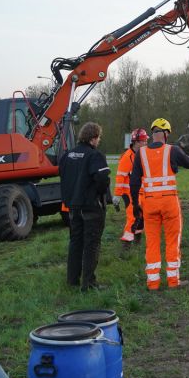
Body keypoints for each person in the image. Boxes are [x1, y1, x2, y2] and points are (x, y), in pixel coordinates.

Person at [130, 117, 189, 290]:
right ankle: (173, 281)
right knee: (172, 241)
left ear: (154, 134)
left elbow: (134, 183)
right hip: (169, 203)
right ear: (166, 134)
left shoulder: (141, 153)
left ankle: (153, 283)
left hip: (150, 204)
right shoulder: (172, 150)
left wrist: (136, 207)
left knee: (152, 243)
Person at [59, 122, 111, 291]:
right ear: (93, 138)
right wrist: (99, 194)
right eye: (99, 138)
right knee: (92, 244)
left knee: (75, 243)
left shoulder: (68, 155)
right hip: (91, 206)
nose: (99, 141)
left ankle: (72, 280)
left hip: (73, 206)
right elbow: (103, 178)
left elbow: (63, 176)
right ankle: (88, 283)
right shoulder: (94, 155)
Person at [114, 128, 149, 245]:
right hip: (129, 193)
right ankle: (126, 244)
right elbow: (120, 177)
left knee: (141, 216)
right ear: (137, 142)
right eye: (144, 141)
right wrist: (117, 195)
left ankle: (137, 240)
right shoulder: (127, 157)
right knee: (133, 217)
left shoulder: (143, 154)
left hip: (141, 192)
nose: (146, 143)